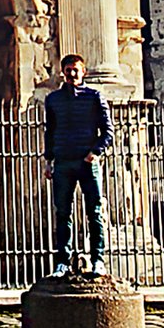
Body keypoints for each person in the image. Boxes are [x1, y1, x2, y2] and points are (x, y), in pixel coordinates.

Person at [41, 52, 113, 277]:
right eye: (68, 69)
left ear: (84, 72)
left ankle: (98, 260)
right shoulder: (53, 100)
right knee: (63, 213)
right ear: (62, 72)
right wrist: (48, 160)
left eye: (76, 69)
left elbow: (108, 130)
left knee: (95, 211)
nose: (72, 73)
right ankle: (63, 261)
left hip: (86, 161)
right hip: (62, 161)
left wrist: (95, 152)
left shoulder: (94, 97)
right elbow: (50, 131)